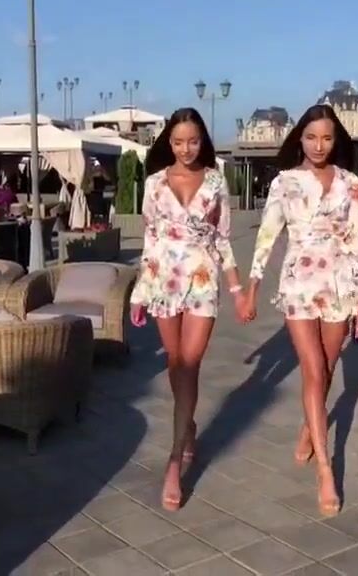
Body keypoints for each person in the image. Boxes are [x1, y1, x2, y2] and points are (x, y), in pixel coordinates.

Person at [243, 104, 358, 517]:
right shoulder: (284, 182)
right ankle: (325, 469)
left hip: (338, 284)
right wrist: (251, 288)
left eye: (327, 138)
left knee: (329, 368)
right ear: (299, 138)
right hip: (299, 284)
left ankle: (309, 426)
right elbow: (267, 237)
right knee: (314, 371)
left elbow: (355, 241)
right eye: (311, 137)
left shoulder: (351, 183)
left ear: (336, 140)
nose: (319, 145)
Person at [130, 107, 246, 511]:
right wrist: (139, 293)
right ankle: (189, 425)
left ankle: (175, 461)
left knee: (190, 364)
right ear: (169, 142)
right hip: (163, 279)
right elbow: (149, 239)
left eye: (193, 141)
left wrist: (237, 289)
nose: (186, 149)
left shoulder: (215, 180)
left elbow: (223, 238)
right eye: (178, 142)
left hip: (202, 279)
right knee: (176, 363)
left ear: (202, 140)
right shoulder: (154, 182)